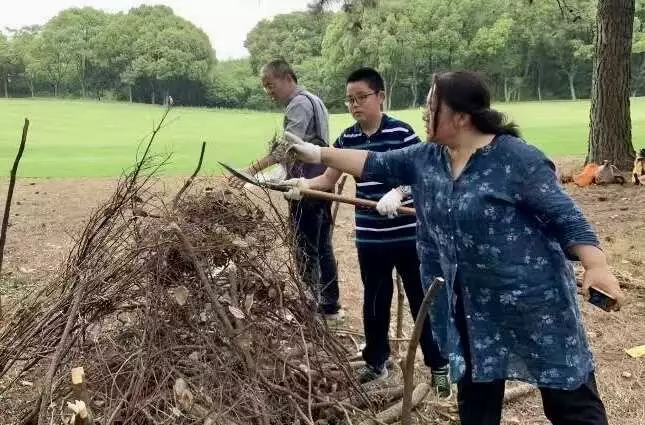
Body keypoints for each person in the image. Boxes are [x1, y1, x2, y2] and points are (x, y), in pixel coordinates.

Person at [282, 70, 625, 425]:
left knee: (570, 403)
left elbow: (566, 217)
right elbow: (374, 162)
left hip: (533, 304)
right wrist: (319, 152)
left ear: (460, 117)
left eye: (432, 107)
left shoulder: (517, 160)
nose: (424, 113)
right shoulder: (428, 157)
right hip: (469, 308)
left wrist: (595, 264)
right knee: (476, 405)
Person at [283, 67, 450, 394]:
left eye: (362, 98)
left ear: (380, 97)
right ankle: (377, 362)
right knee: (374, 301)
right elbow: (329, 180)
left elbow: (421, 175)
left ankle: (439, 364)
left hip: (408, 236)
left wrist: (400, 192)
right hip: (371, 237)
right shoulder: (347, 139)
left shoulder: (401, 133)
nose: (355, 105)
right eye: (349, 100)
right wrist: (304, 184)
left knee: (422, 300)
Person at [235, 59, 343, 322]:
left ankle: (312, 306)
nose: (268, 92)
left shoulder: (298, 105)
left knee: (305, 246)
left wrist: (251, 170)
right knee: (322, 244)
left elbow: (286, 149)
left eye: (270, 85)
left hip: (306, 184)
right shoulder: (315, 100)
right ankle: (330, 306)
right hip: (323, 180)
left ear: (286, 78)